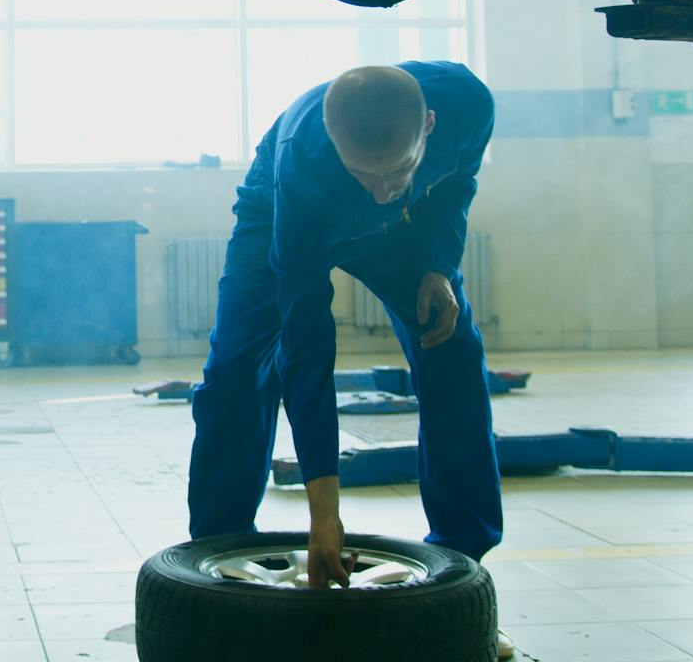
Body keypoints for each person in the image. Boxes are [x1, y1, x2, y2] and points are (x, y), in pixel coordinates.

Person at [187, 61, 510, 653]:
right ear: (337, 146)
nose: (381, 189)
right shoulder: (305, 168)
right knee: (237, 374)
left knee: (455, 355)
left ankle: (462, 579)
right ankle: (219, 557)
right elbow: (306, 348)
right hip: (282, 213)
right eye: (365, 174)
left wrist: (439, 263)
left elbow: (459, 181)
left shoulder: (470, 104)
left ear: (430, 126)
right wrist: (324, 511)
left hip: (407, 233)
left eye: (398, 171)